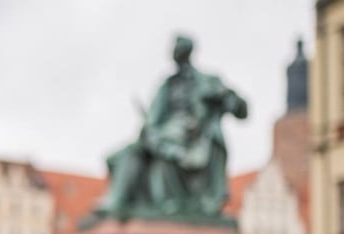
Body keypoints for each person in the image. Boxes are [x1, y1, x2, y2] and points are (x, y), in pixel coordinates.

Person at [95, 35, 248, 219]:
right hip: (167, 134)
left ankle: (165, 201)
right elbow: (153, 119)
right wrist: (150, 132)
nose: (176, 54)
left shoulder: (209, 81)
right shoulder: (166, 86)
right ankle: (118, 201)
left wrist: (224, 96)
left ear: (189, 52)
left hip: (196, 137)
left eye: (179, 49)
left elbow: (241, 110)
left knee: (162, 146)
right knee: (131, 151)